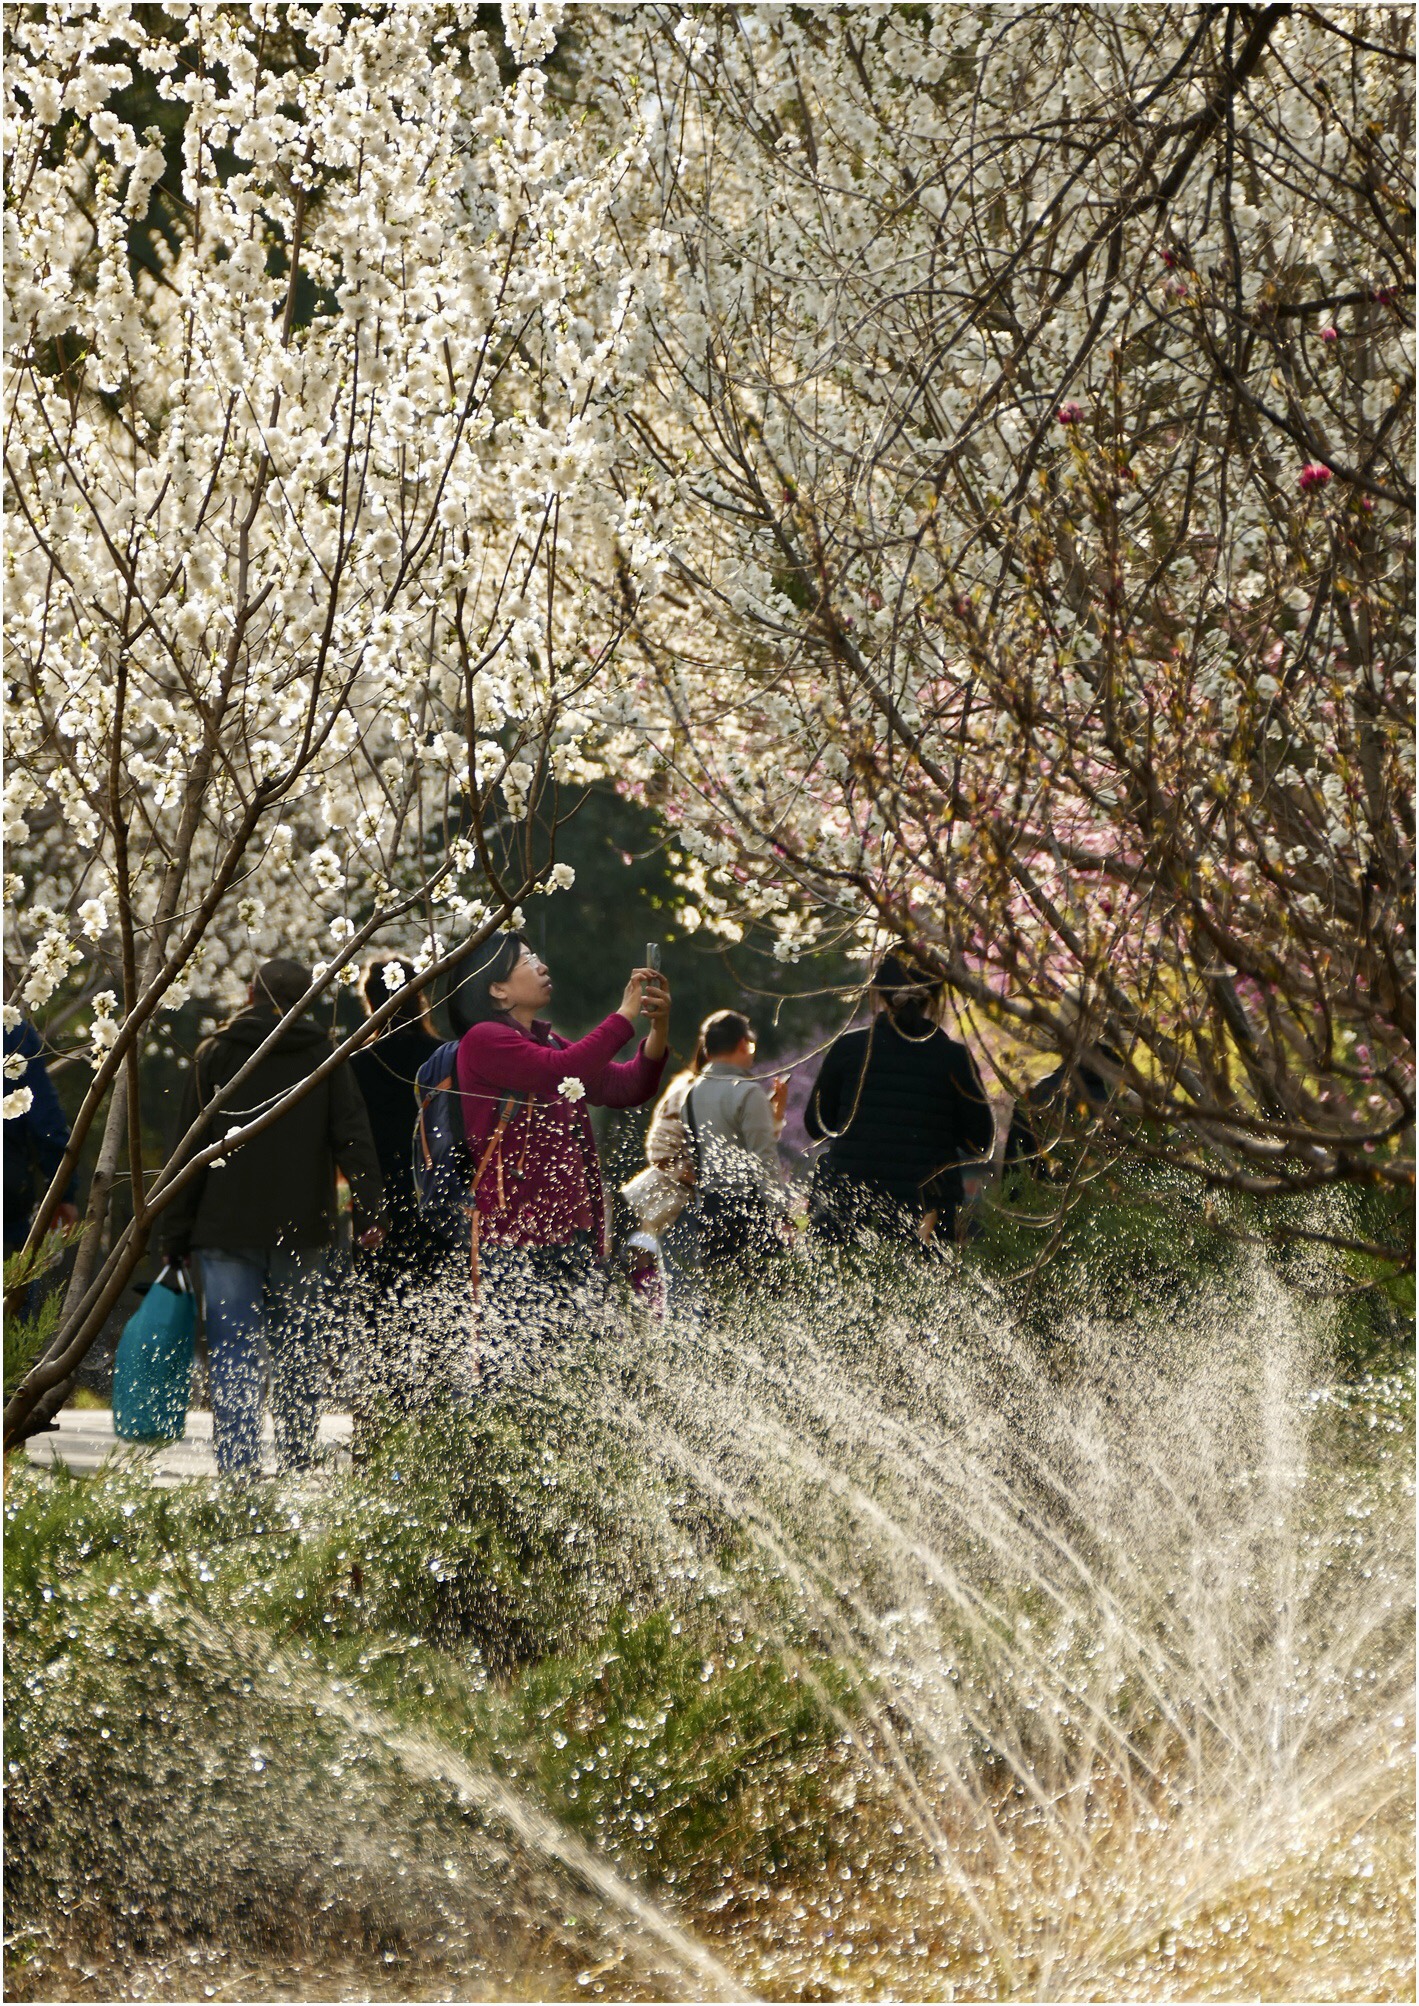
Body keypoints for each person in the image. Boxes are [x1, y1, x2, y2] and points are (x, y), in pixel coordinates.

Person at [157, 958, 385, 1477]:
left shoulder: (215, 1053)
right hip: (302, 1228)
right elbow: (352, 1136)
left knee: (233, 1349)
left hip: (224, 1227)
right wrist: (370, 1210)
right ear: (305, 1000)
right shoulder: (325, 1057)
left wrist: (175, 1232)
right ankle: (297, 1459)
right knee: (298, 1347)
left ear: (249, 994)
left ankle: (237, 1467)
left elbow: (188, 1146)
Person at [451, 933, 669, 1380]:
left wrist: (658, 1028)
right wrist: (624, 1015)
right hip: (513, 1242)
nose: (542, 966)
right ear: (497, 989)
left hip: (570, 1236)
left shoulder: (548, 1043)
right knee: (516, 1377)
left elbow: (625, 1086)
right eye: (527, 960)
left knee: (573, 1374)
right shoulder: (484, 1040)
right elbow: (560, 1073)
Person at [804, 952, 994, 1245]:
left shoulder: (849, 1049)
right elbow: (980, 1141)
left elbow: (817, 1126)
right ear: (934, 996)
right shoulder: (954, 1059)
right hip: (924, 1217)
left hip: (847, 1213)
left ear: (880, 994)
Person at [348, 956, 444, 1433]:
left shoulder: (356, 1065)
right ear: (421, 997)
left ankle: (376, 1435)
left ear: (370, 1002)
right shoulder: (444, 1057)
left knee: (378, 1323)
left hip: (378, 1209)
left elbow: (351, 1143)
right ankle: (432, 1436)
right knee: (437, 1324)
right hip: (439, 1205)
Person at [658, 1010, 788, 1280]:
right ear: (742, 1044)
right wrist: (781, 1212)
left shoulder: (691, 1093)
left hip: (710, 1211)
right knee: (763, 1293)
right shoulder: (747, 1091)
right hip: (749, 1211)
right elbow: (763, 1157)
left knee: (720, 1293)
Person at [3, 1009, 80, 1261]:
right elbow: (45, 1121)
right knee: (16, 1278)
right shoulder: (14, 1032)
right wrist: (63, 1192)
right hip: (8, 1200)